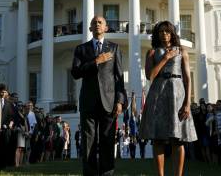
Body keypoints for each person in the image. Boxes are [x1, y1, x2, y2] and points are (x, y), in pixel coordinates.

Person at [139, 21, 197, 176]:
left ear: (172, 33)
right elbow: (150, 75)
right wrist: (165, 58)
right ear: (157, 34)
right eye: (161, 31)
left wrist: (188, 102)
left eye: (167, 31)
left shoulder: (182, 51)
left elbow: (187, 78)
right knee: (158, 139)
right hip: (157, 95)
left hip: (177, 96)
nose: (164, 33)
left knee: (177, 139)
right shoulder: (152, 53)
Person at [71, 16, 126, 176]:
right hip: (89, 101)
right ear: (90, 29)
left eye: (100, 22)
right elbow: (75, 73)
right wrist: (96, 61)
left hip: (109, 102)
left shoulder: (114, 48)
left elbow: (119, 76)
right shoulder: (81, 49)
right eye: (94, 23)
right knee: (88, 142)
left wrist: (119, 101)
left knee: (107, 141)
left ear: (106, 28)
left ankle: (106, 174)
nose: (97, 24)